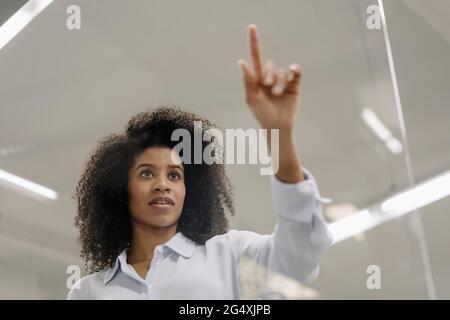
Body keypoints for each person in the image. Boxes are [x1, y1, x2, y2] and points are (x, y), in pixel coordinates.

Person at [67, 24, 333, 300]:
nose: (162, 185)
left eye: (174, 175)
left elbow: (299, 254)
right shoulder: (89, 291)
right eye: (146, 174)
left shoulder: (231, 255)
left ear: (188, 190)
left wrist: (280, 133)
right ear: (122, 189)